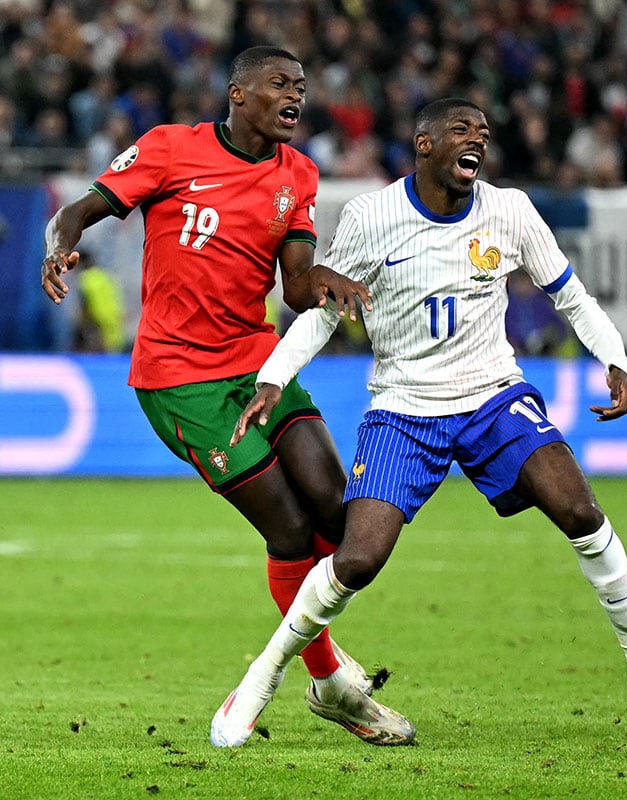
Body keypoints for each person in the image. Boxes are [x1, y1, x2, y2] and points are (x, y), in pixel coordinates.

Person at [210, 98, 627, 748]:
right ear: (424, 143)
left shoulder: (510, 211)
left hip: (493, 395)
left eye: (485, 132)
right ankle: (265, 676)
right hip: (404, 408)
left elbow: (570, 296)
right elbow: (324, 313)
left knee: (580, 511)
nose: (478, 139)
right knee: (357, 559)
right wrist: (273, 377)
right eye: (462, 129)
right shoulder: (372, 217)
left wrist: (614, 359)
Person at [39, 46, 408, 745]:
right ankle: (330, 682)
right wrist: (56, 247)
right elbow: (77, 213)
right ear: (238, 94)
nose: (295, 95)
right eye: (279, 84)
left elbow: (295, 286)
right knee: (291, 534)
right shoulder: (169, 149)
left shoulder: (296, 173)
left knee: (338, 517)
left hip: (257, 361)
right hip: (181, 380)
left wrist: (332, 275)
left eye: (301, 85)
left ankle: (324, 677)